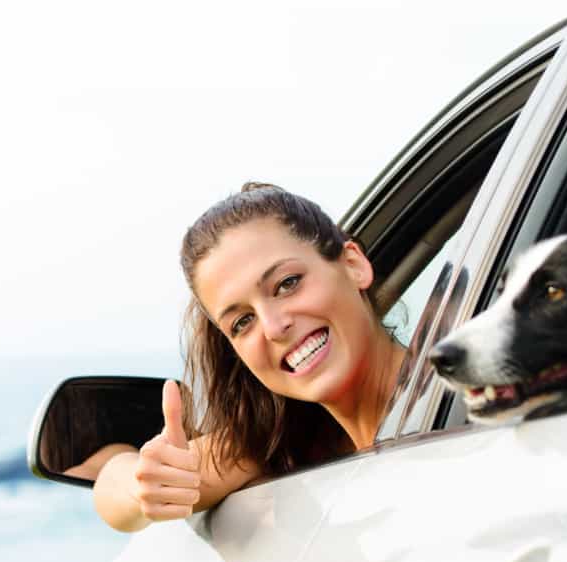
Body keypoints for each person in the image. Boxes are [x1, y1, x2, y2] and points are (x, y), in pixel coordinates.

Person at [93, 183, 409, 532]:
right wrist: (143, 485)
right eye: (242, 322)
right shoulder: (289, 441)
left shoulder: (468, 396)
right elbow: (111, 489)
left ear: (353, 265)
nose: (274, 327)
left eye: (287, 283)